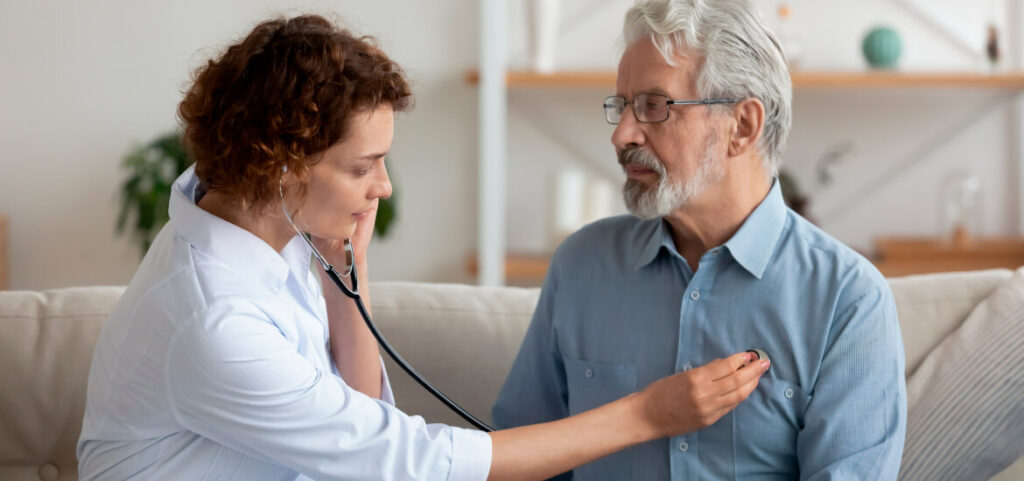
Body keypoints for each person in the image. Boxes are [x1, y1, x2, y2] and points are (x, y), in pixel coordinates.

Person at [76, 14, 770, 481]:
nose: (382, 187)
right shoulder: (214, 318)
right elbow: (400, 459)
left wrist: (347, 272)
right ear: (282, 165)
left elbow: (357, 418)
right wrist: (650, 413)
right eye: (362, 166)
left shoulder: (260, 229)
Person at [493, 0, 907, 479]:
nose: (622, 135)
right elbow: (515, 463)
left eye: (654, 106)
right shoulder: (580, 267)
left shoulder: (848, 300)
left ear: (742, 126)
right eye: (621, 107)